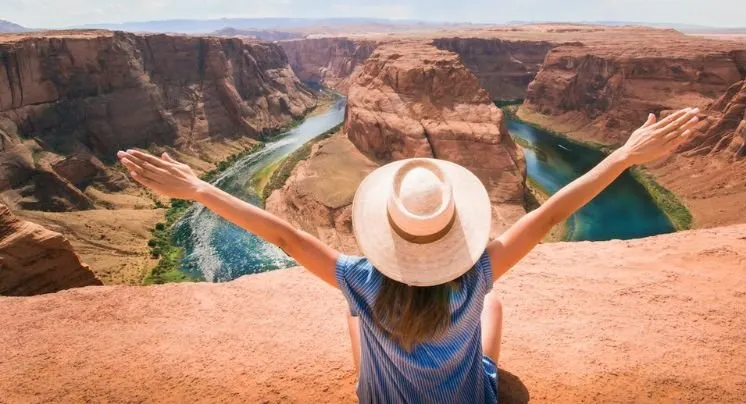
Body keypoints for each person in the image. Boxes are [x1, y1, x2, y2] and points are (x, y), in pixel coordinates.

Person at [118, 107, 700, 403]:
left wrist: (196, 189)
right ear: (454, 231)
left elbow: (286, 238)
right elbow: (548, 214)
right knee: (493, 309)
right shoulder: (479, 275)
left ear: (388, 234)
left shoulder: (360, 280)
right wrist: (623, 156)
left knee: (353, 314)